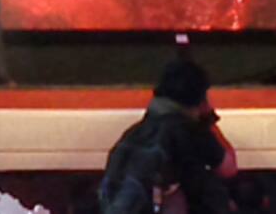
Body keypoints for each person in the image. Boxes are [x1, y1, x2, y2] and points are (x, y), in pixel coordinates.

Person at [100, 57, 237, 214]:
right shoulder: (190, 131)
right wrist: (208, 119)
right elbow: (228, 167)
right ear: (200, 97)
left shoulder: (132, 134)